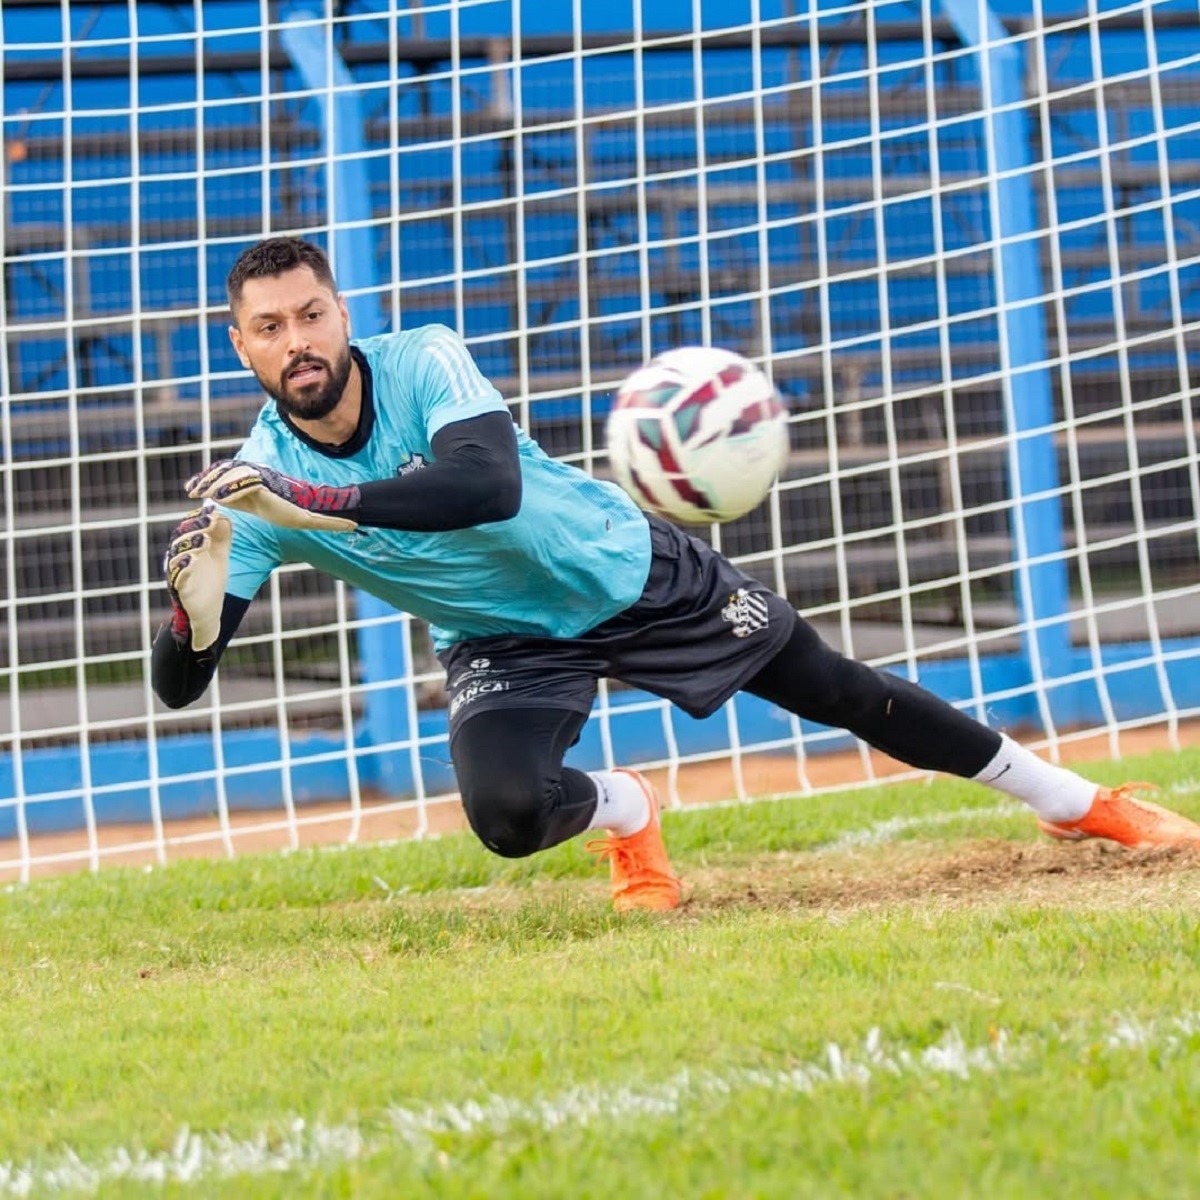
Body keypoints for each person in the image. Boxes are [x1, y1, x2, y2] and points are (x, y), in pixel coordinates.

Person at [152, 236, 1200, 912]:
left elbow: (486, 486)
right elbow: (180, 686)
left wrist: (314, 507)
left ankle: (1075, 801)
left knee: (839, 689)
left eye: (314, 314)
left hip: (622, 571)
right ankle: (628, 813)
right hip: (501, 640)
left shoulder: (421, 359)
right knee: (508, 817)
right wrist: (191, 621)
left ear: (342, 313)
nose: (301, 341)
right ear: (239, 344)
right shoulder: (253, 489)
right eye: (272, 327)